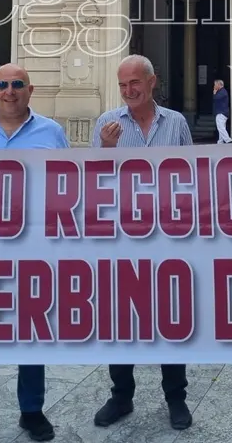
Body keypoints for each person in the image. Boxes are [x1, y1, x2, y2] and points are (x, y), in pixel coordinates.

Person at [0, 63, 68, 443]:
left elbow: (69, 187)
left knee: (31, 332)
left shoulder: (51, 133)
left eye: (17, 84)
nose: (9, 91)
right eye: (2, 84)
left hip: (34, 250)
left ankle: (32, 411)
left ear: (29, 90)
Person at [90, 54, 193, 431]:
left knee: (171, 318)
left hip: (167, 238)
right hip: (122, 240)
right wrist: (103, 148)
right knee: (122, 320)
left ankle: (176, 397)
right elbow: (90, 182)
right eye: (122, 85)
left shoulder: (177, 123)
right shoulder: (107, 124)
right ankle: (121, 395)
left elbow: (190, 178)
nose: (129, 91)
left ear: (153, 82)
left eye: (135, 82)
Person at [213, 78, 232, 143]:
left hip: (221, 112)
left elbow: (216, 98)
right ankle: (220, 141)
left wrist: (214, 93)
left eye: (215, 85)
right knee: (221, 127)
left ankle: (228, 140)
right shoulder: (222, 91)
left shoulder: (222, 92)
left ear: (219, 85)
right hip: (222, 112)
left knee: (220, 127)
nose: (214, 86)